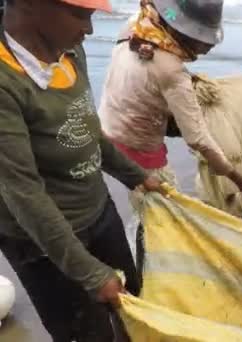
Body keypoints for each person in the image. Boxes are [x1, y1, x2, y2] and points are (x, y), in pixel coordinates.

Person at [0, 0, 166, 340]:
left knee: (133, 304)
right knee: (85, 332)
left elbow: (89, 132)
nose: (88, 30)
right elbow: (23, 192)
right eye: (80, 15)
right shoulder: (6, 83)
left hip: (98, 213)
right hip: (40, 240)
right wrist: (89, 273)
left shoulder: (70, 52)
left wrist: (138, 176)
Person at [99, 0, 242, 214]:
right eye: (203, 40)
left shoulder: (137, 26)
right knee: (167, 212)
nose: (208, 47)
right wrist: (236, 177)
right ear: (184, 33)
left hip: (106, 132)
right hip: (137, 148)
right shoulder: (172, 72)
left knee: (142, 202)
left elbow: (144, 73)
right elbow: (198, 139)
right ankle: (145, 241)